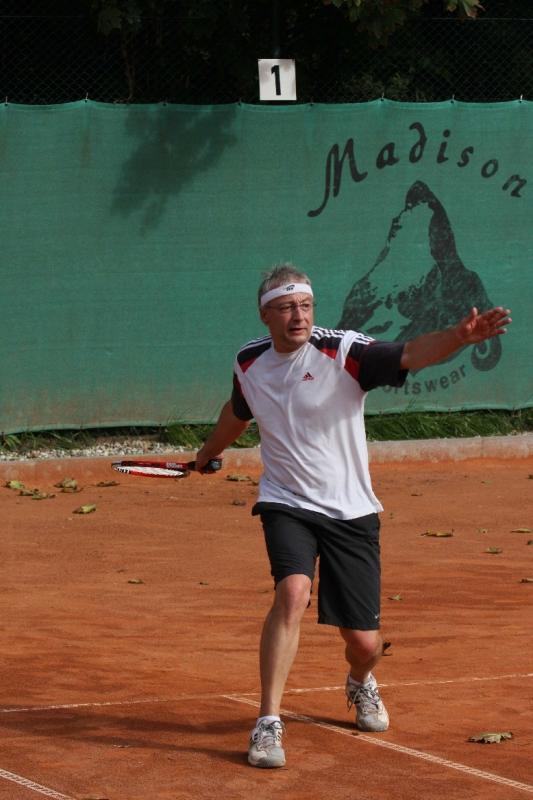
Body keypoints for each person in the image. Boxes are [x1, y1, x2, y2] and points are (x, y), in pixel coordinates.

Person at [195, 263, 511, 770]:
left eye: (305, 306)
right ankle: (268, 722)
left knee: (364, 644)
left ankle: (361, 680)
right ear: (265, 314)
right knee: (292, 592)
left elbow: (409, 354)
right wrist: (207, 452)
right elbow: (239, 411)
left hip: (351, 509)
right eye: (286, 308)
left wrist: (458, 337)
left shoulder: (343, 351)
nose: (298, 316)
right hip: (286, 501)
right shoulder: (249, 361)